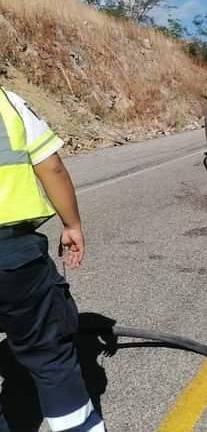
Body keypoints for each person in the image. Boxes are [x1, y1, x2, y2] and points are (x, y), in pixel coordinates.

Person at [0, 87, 105, 432]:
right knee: (49, 356)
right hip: (12, 256)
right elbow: (51, 166)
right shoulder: (8, 103)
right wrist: (72, 224)